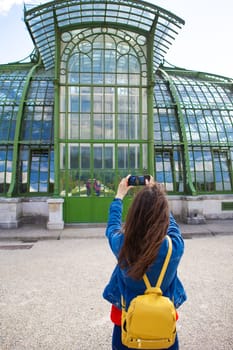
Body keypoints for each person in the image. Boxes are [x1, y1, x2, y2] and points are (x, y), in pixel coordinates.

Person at [103, 175, 187, 350]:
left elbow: (112, 227)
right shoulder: (174, 247)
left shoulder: (122, 245)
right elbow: (172, 227)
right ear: (162, 214)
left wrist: (119, 196)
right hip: (162, 326)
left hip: (127, 324)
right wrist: (158, 197)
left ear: (133, 214)